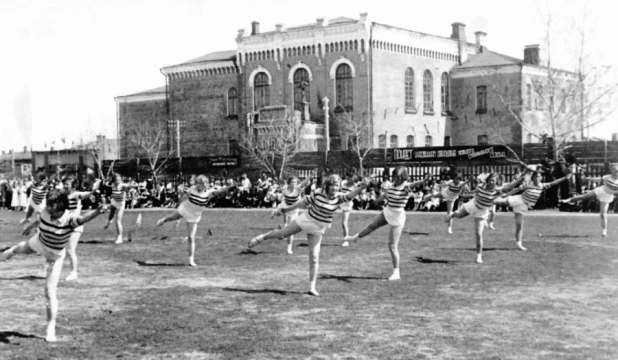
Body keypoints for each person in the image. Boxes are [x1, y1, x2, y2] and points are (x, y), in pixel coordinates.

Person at [1, 190, 109, 342]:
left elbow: (84, 218)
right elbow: (40, 220)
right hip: (39, 242)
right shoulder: (45, 211)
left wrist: (98, 211)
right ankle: (11, 251)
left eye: (52, 206)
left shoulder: (70, 220)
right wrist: (29, 227)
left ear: (61, 206)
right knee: (20, 249)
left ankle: (50, 328)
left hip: (55, 256)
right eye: (48, 204)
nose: (48, 208)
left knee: (49, 292)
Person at [247, 174, 370, 296]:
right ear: (327, 185)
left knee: (314, 257)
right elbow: (301, 204)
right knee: (282, 234)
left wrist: (362, 187)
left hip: (318, 228)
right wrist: (285, 210)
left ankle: (312, 287)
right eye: (333, 186)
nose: (335, 188)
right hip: (306, 219)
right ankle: (261, 238)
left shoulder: (339, 197)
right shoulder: (318, 193)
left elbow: (350, 195)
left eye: (337, 186)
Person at [343, 167, 429, 280]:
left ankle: (396, 273)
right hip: (388, 211)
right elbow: (387, 194)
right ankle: (355, 238)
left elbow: (414, 184)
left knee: (392, 246)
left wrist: (423, 181)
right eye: (394, 176)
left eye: (398, 177)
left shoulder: (406, 187)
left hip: (397, 217)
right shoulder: (392, 186)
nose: (395, 179)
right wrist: (378, 200)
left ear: (403, 177)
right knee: (372, 226)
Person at [156, 175, 235, 266]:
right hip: (185, 208)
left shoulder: (209, 192)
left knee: (191, 237)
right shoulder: (192, 189)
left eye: (204, 183)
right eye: (200, 183)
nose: (203, 185)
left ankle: (191, 260)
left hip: (194, 216)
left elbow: (221, 190)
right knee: (172, 218)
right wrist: (177, 205)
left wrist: (232, 186)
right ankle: (163, 220)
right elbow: (184, 197)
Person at [445, 173, 524, 264]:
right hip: (473, 205)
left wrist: (518, 181)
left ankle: (479, 256)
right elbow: (474, 192)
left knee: (478, 234)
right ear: (487, 180)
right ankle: (451, 215)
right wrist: (466, 195)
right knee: (459, 215)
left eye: (493, 181)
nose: (491, 182)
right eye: (490, 180)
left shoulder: (497, 191)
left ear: (496, 182)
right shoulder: (481, 186)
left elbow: (508, 187)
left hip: (482, 212)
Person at [496, 169, 571, 250]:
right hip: (518, 199)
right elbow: (516, 190)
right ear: (533, 178)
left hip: (523, 206)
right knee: (498, 202)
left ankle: (519, 244)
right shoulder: (528, 184)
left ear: (541, 178)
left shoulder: (542, 186)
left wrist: (565, 178)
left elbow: (554, 183)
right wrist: (506, 195)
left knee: (519, 225)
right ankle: (485, 200)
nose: (537, 178)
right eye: (535, 177)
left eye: (539, 177)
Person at [560, 163, 618, 237]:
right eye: (614, 171)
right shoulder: (607, 177)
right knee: (584, 197)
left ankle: (604, 232)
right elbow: (598, 180)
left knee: (603, 214)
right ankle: (569, 200)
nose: (616, 173)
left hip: (607, 196)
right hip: (601, 190)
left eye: (617, 171)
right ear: (612, 171)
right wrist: (588, 179)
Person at [63, 176, 101, 281]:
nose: (65, 186)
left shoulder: (76, 195)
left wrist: (94, 188)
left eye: (67, 184)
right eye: (64, 184)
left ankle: (73, 273)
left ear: (73, 186)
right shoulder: (62, 195)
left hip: (75, 225)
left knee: (70, 250)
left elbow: (88, 194)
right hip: (64, 225)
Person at [277, 176, 311, 254]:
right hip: (285, 207)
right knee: (280, 217)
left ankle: (289, 246)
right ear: (288, 183)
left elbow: (303, 183)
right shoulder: (285, 189)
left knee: (290, 229)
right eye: (292, 182)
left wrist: (309, 177)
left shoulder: (298, 189)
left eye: (295, 182)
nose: (294, 184)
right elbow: (282, 196)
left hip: (293, 211)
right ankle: (281, 232)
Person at [103, 173, 136, 244]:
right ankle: (109, 222)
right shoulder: (112, 185)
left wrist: (133, 185)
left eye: (119, 180)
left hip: (121, 204)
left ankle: (119, 237)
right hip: (114, 201)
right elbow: (106, 185)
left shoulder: (122, 185)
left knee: (118, 221)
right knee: (111, 215)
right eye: (116, 180)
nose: (118, 181)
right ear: (114, 180)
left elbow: (129, 185)